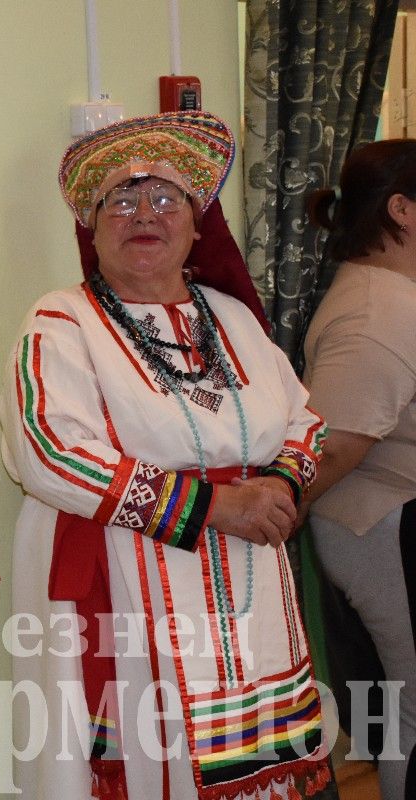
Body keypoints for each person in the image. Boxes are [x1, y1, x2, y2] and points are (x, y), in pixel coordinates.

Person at [0, 111, 332, 800]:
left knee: (256, 756)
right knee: (151, 761)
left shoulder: (232, 317)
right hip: (125, 575)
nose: (141, 215)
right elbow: (51, 454)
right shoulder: (61, 320)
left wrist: (277, 487)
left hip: (247, 583)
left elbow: (306, 420)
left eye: (163, 198)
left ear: (197, 223)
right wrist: (215, 505)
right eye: (119, 199)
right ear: (92, 226)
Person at [301, 139, 416, 800]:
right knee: (412, 713)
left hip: (387, 523)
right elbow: (331, 449)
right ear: (402, 209)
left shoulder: (393, 294)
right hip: (383, 529)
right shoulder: (378, 311)